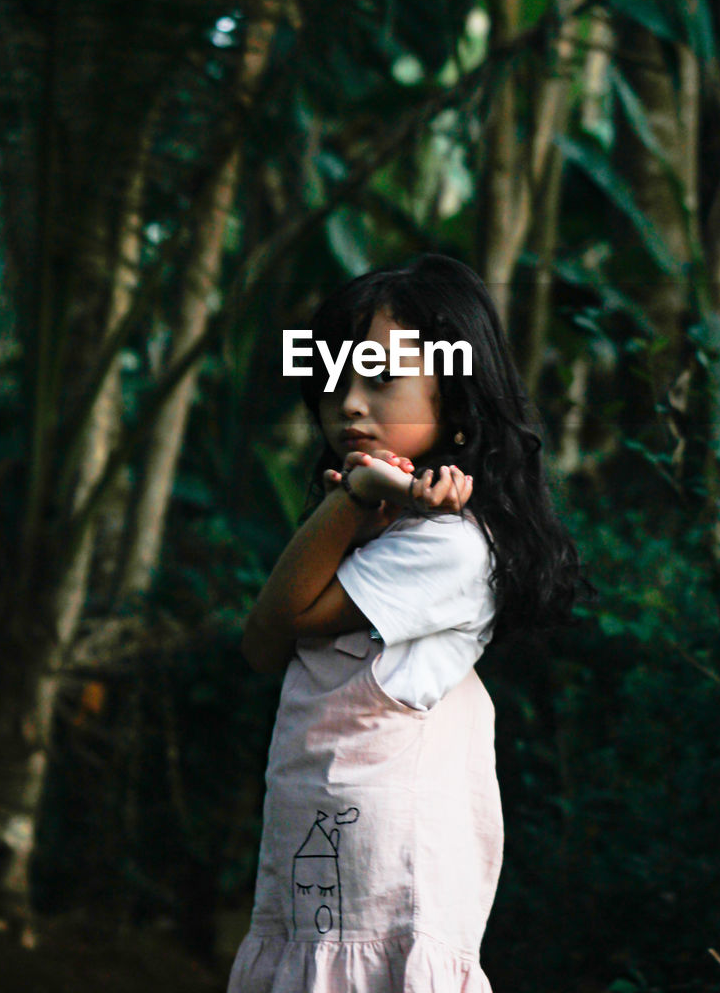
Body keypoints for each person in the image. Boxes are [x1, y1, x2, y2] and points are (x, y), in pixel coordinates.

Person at [227, 253, 594, 992]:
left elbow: (272, 629)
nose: (350, 405)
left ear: (456, 400)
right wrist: (359, 502)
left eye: (381, 380)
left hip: (380, 882)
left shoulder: (452, 543)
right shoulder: (391, 523)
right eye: (334, 379)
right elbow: (269, 644)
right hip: (326, 868)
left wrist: (353, 496)